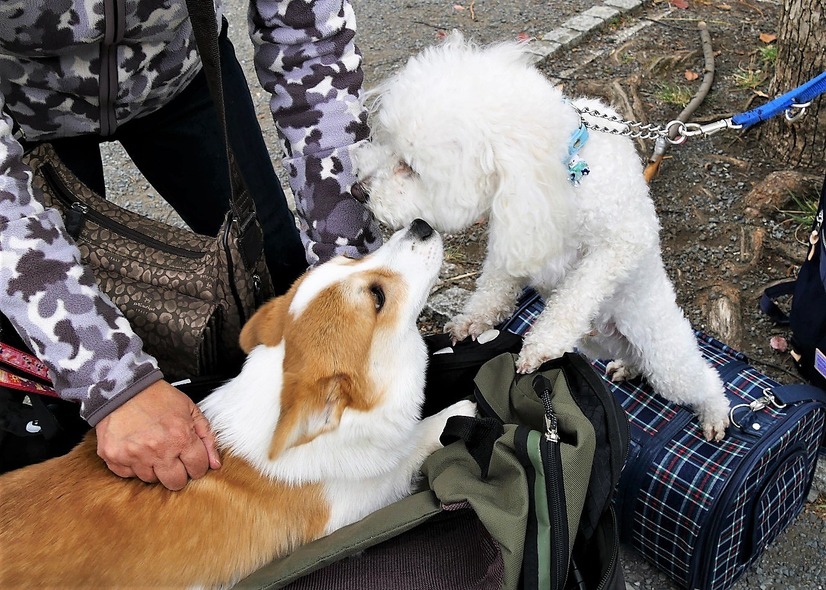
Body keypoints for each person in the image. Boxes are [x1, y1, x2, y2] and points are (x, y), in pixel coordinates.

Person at [0, 0, 381, 489]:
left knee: (280, 276)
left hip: (181, 69)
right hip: (24, 103)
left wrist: (349, 268)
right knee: (46, 398)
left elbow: (312, 42)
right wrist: (115, 387)